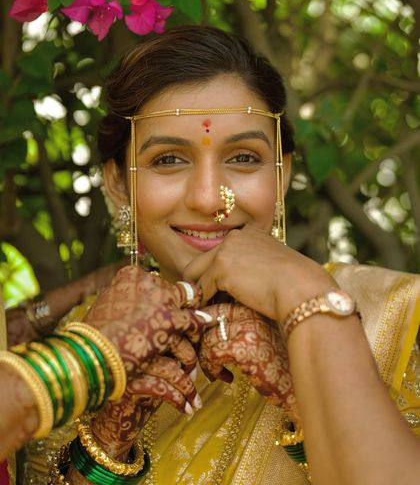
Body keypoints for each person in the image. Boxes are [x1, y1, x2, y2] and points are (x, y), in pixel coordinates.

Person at [0, 25, 419, 485]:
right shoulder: (85, 346)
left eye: (243, 158)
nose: (209, 199)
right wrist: (105, 444)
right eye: (168, 160)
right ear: (118, 184)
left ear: (281, 174)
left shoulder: (399, 314)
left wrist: (308, 326)